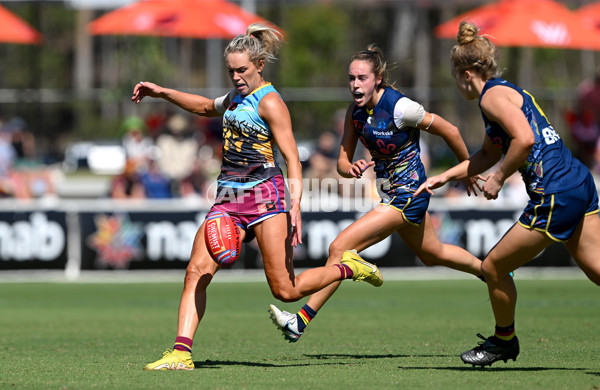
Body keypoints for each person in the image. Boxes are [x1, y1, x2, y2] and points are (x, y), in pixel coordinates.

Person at [131, 23, 383, 371]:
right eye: (230, 71)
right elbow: (206, 107)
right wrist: (162, 93)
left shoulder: (271, 102)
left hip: (267, 198)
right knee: (196, 271)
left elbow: (293, 157)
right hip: (228, 196)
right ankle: (181, 353)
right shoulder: (235, 98)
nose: (235, 77)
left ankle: (347, 268)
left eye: (242, 70)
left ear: (259, 66)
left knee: (286, 290)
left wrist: (295, 205)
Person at [269, 44, 486, 344]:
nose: (355, 85)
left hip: (409, 193)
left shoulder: (401, 108)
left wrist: (468, 169)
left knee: (340, 247)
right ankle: (491, 271)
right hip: (390, 194)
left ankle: (300, 321)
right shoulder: (355, 113)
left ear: (378, 79)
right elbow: (342, 163)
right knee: (431, 253)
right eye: (351, 78)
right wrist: (352, 167)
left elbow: (450, 130)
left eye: (362, 78)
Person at [415, 21, 600, 367]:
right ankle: (503, 341)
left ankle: (503, 342)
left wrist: (498, 178)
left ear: (466, 74)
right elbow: (487, 154)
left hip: (555, 192)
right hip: (578, 181)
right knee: (596, 268)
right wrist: (446, 177)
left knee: (493, 267)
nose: (456, 85)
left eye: (455, 77)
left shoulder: (490, 98)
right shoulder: (502, 92)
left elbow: (525, 140)